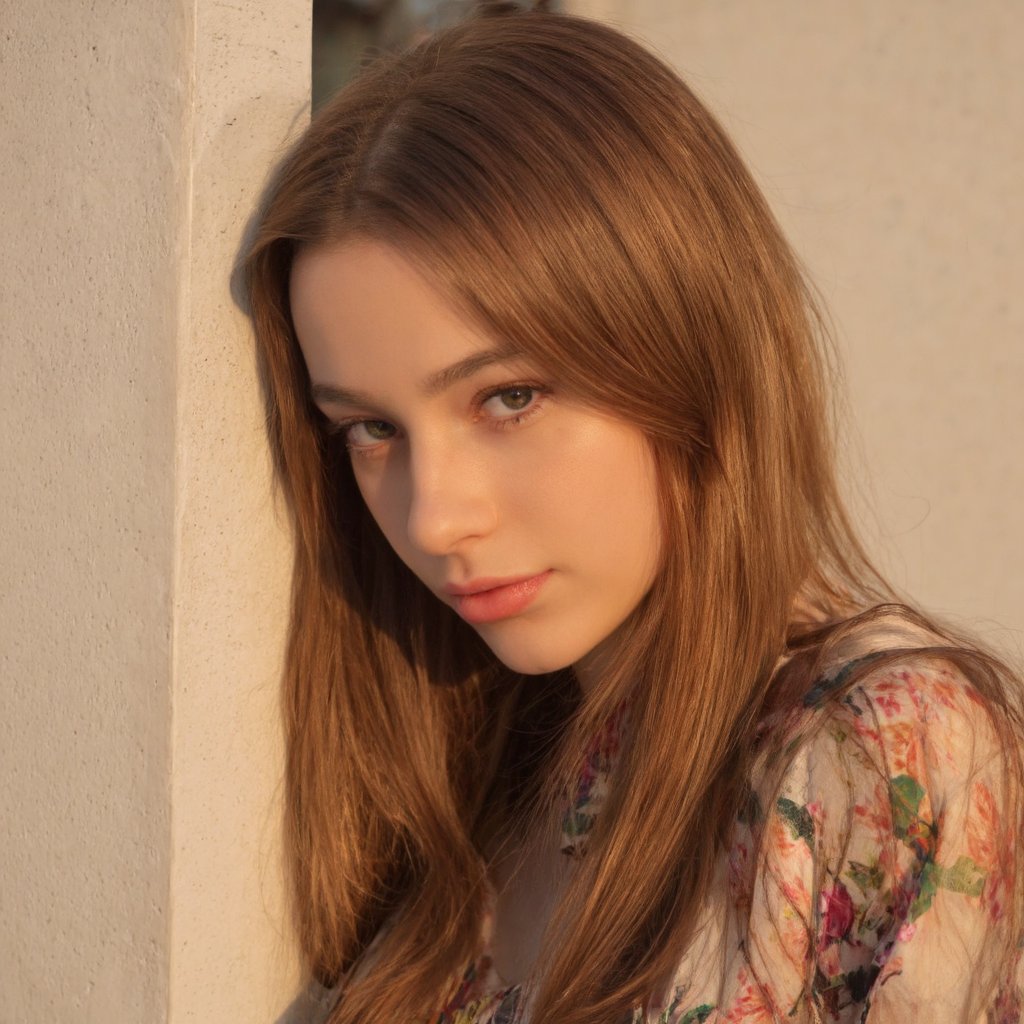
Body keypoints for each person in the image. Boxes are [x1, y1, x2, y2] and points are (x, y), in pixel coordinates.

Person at [245, 5, 1024, 1022]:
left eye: (508, 397)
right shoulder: (476, 779)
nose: (434, 519)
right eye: (369, 430)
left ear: (687, 352)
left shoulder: (884, 744)